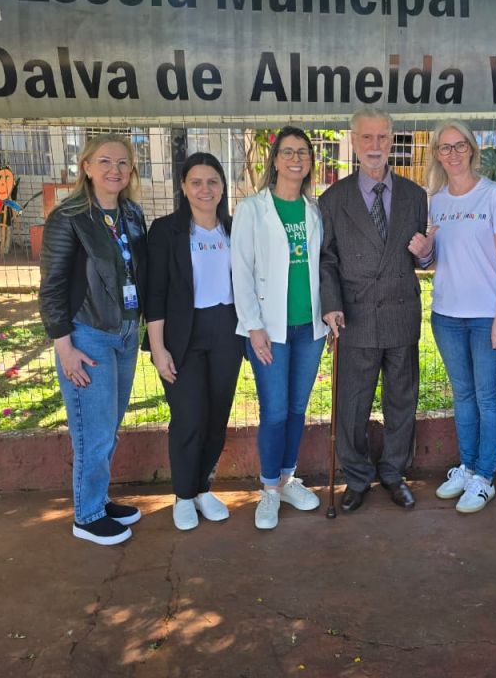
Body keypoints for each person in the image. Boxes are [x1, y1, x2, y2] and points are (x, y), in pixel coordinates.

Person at [319, 107, 430, 512]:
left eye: (382, 137)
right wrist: (331, 306)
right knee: (352, 404)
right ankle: (357, 476)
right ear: (353, 141)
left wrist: (426, 254)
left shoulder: (415, 196)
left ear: (392, 139)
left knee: (402, 400)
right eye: (366, 137)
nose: (375, 145)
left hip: (401, 315)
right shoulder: (333, 199)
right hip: (356, 316)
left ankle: (394, 473)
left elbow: (421, 256)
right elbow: (326, 260)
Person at [39, 133, 148, 546]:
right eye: (104, 161)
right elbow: (52, 286)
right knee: (93, 430)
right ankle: (86, 516)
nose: (114, 170)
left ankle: (98, 500)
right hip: (88, 335)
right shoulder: (67, 217)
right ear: (86, 167)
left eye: (122, 163)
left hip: (126, 332)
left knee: (109, 425)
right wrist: (64, 346)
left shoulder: (131, 214)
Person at [417, 120, 496, 514]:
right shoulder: (437, 201)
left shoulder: (495, 195)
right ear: (437, 155)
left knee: (488, 397)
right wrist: (424, 251)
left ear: (472, 149)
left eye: (460, 145)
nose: (453, 153)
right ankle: (468, 467)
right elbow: (433, 260)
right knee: (463, 396)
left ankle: (484, 477)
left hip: (487, 316)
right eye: (445, 147)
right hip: (447, 315)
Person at [232, 126, 329, 530]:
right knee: (274, 411)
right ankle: (269, 489)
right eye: (287, 152)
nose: (295, 159)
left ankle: (288, 479)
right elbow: (241, 271)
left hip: (310, 327)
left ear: (310, 161)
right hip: (269, 330)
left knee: (296, 409)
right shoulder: (252, 210)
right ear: (274, 160)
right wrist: (253, 326)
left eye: (302, 152)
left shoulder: (314, 210)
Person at [145, 153, 245, 532]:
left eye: (213, 181)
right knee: (188, 416)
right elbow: (155, 293)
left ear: (223, 186)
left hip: (227, 331)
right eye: (196, 182)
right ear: (184, 187)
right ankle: (183, 496)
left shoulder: (234, 229)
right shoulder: (165, 231)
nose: (205, 189)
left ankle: (203, 489)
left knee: (217, 415)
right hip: (182, 335)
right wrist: (158, 349)